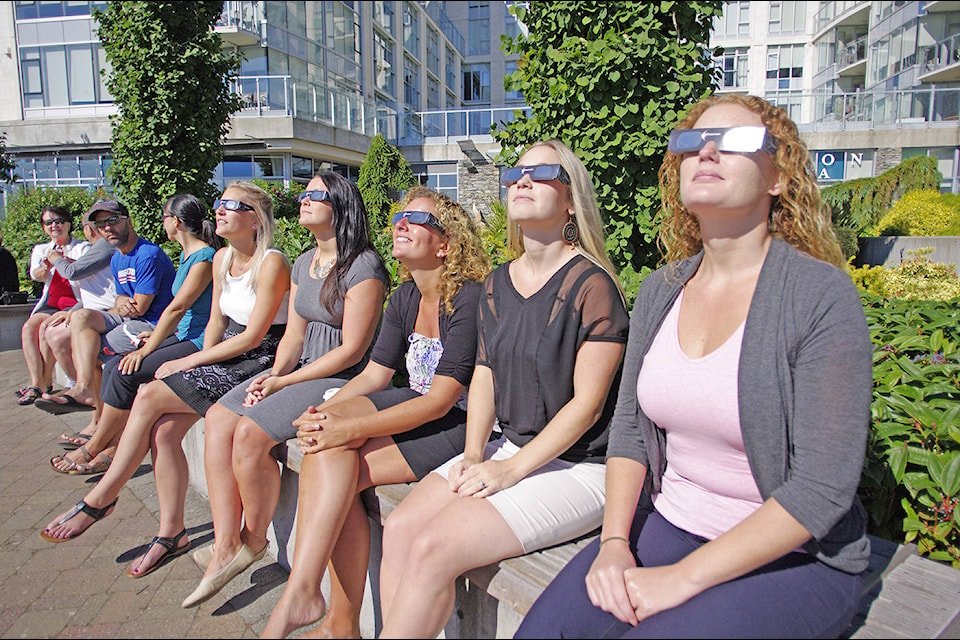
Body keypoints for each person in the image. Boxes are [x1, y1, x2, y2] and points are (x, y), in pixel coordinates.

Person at [515, 94, 873, 639]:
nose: (706, 151)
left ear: (778, 176)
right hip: (670, 523)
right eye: (691, 142)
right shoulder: (662, 290)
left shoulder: (819, 296)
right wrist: (613, 544)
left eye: (736, 141)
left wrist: (681, 580)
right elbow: (631, 428)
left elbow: (820, 490)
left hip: (795, 556)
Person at [376, 140, 629, 639]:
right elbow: (485, 374)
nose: (522, 180)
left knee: (434, 548)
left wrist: (509, 469)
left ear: (572, 200)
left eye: (543, 172)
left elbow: (587, 405)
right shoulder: (496, 282)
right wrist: (474, 454)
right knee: (403, 527)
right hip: (507, 447)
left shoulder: (592, 285)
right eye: (516, 172)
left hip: (580, 467)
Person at [258, 185, 489, 638]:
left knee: (340, 457)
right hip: (418, 403)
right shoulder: (404, 297)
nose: (400, 224)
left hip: (462, 421)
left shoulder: (469, 298)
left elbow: (441, 400)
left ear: (446, 244)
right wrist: (323, 411)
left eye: (417, 220)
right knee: (325, 446)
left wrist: (350, 428)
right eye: (399, 217)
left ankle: (330, 616)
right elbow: (374, 375)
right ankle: (316, 602)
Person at [40, 181, 291, 586]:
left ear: (255, 219)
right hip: (225, 350)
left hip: (256, 356)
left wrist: (190, 361)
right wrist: (196, 363)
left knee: (148, 393)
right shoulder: (224, 257)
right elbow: (216, 322)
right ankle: (171, 531)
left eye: (231, 204)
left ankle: (103, 496)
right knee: (162, 432)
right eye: (218, 203)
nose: (220, 210)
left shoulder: (273, 261)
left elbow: (253, 336)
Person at [185, 172, 388, 591]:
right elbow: (294, 335)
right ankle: (226, 541)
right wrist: (275, 375)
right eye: (304, 193)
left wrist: (286, 382)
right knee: (220, 416)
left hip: (340, 376)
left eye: (316, 194)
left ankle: (254, 540)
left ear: (341, 206)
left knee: (249, 434)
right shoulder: (303, 262)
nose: (304, 199)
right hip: (301, 367)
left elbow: (351, 350)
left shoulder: (363, 265)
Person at [48, 194, 222, 476]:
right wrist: (149, 342)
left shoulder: (204, 257)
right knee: (117, 366)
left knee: (125, 371)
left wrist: (148, 347)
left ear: (175, 221)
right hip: (181, 334)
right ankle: (106, 444)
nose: (162, 222)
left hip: (196, 339)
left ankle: (98, 445)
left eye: (164, 217)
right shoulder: (187, 254)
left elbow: (177, 308)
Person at [34, 199, 177, 415]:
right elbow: (121, 299)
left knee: (89, 347)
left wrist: (124, 305)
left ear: (128, 221)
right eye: (101, 225)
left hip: (152, 324)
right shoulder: (118, 258)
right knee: (81, 319)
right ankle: (83, 390)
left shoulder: (148, 254)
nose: (107, 228)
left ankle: (99, 424)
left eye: (112, 221)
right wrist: (121, 303)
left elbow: (139, 308)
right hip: (129, 319)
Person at [36, 217, 117, 408]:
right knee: (49, 330)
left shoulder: (102, 246)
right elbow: (90, 288)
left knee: (60, 337)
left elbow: (73, 272)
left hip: (106, 312)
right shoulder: (99, 248)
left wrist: (56, 259)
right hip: (90, 308)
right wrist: (73, 310)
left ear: (88, 230)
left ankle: (81, 389)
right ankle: (73, 388)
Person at [17, 206, 83, 405]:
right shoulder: (41, 249)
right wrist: (46, 266)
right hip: (51, 302)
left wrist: (62, 260)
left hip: (73, 301)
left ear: (69, 224)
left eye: (59, 221)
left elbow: (82, 271)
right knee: (29, 328)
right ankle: (37, 383)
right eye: (49, 223)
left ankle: (44, 383)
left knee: (46, 329)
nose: (55, 226)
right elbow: (36, 275)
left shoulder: (81, 248)